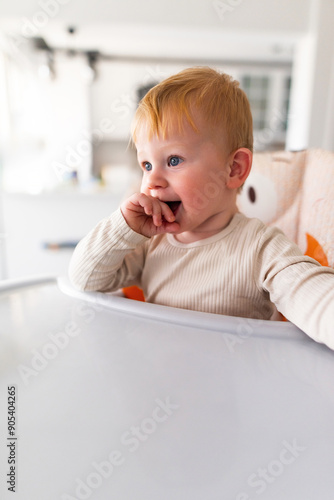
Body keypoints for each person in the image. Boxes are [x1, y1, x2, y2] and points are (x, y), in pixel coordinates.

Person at [69, 67, 334, 350]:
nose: (152, 181)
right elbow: (86, 280)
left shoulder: (261, 248)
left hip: (233, 388)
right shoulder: (149, 244)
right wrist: (124, 226)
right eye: (146, 165)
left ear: (233, 169)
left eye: (173, 160)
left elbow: (314, 299)